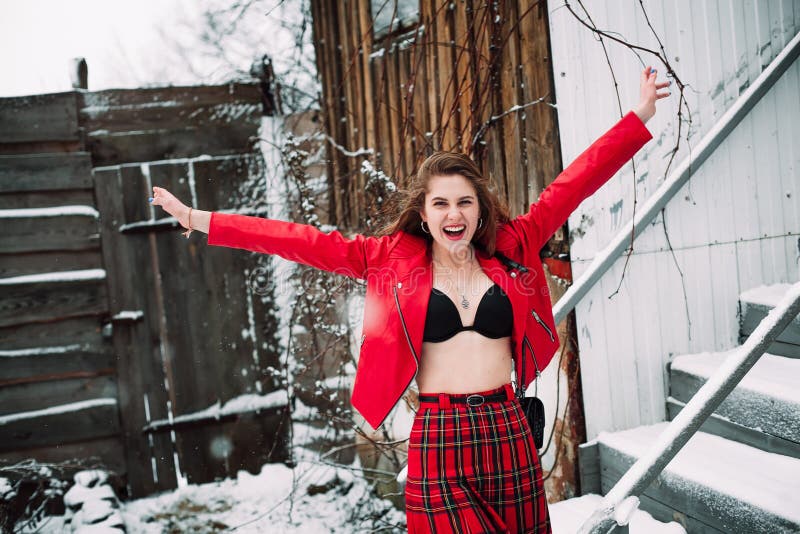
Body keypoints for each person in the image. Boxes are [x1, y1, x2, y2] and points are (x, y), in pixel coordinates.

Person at [150, 66, 669, 533]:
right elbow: (299, 240)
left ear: (479, 209)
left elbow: (573, 184)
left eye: (464, 201)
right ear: (424, 214)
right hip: (439, 436)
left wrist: (638, 116)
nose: (453, 213)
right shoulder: (389, 261)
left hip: (508, 426)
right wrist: (202, 221)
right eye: (440, 203)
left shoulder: (514, 245)